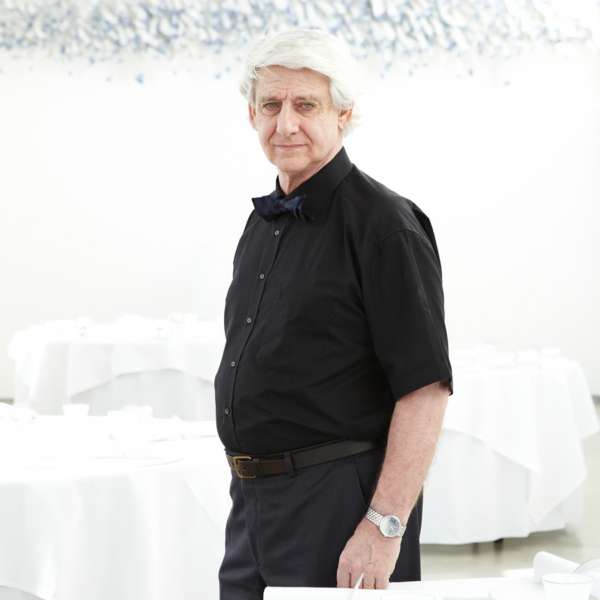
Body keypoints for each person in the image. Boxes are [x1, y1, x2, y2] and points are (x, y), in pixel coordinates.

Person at [214, 28, 453, 599]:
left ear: (343, 114)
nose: (285, 124)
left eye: (306, 105)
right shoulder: (261, 224)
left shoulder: (386, 226)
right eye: (271, 105)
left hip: (340, 505)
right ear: (251, 114)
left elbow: (424, 392)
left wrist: (383, 526)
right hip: (251, 505)